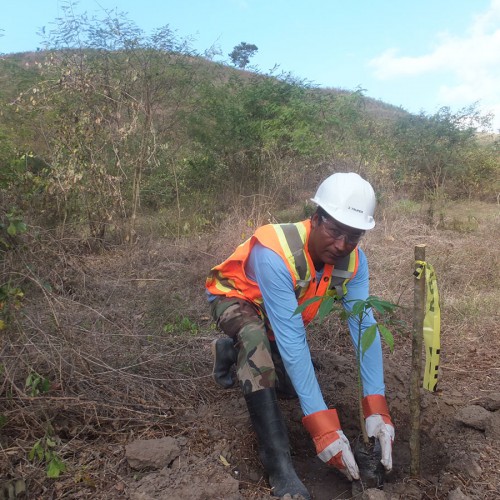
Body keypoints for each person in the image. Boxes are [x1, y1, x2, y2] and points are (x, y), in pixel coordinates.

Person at [205, 172, 395, 499]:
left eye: (353, 236)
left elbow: (364, 326)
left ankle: (228, 351)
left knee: (290, 387)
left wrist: (377, 410)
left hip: (280, 311)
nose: (341, 245)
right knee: (254, 343)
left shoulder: (353, 263)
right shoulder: (276, 252)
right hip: (237, 300)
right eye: (335, 231)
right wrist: (323, 430)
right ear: (316, 218)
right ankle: (278, 465)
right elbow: (293, 339)